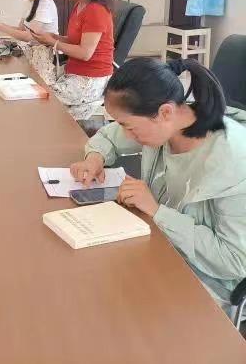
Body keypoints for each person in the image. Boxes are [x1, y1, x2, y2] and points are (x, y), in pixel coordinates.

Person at [70, 57, 246, 316]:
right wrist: (95, 157)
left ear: (165, 112)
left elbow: (234, 260)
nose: (127, 135)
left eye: (130, 127)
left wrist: (157, 211)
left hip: (206, 282)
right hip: (159, 244)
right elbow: (111, 136)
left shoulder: (232, 161)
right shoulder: (172, 121)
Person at [31, 0, 114, 120]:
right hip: (75, 73)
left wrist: (53, 42)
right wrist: (53, 37)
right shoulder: (80, 6)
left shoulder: (96, 10)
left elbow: (85, 53)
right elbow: (75, 41)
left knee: (40, 98)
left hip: (90, 80)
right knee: (35, 80)